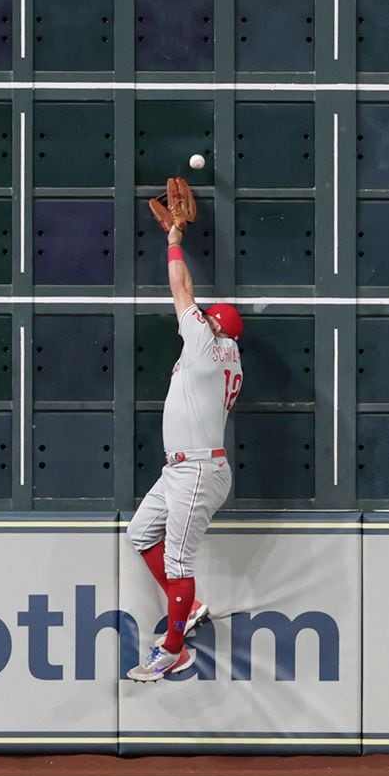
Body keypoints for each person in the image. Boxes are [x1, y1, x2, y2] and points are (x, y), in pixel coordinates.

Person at [126, 223, 244, 683]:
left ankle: (174, 650)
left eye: (208, 317)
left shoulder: (205, 345)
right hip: (182, 467)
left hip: (197, 467)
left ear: (215, 327)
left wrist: (174, 241)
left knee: (178, 563)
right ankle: (188, 606)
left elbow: (181, 287)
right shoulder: (228, 359)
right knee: (140, 533)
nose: (201, 317)